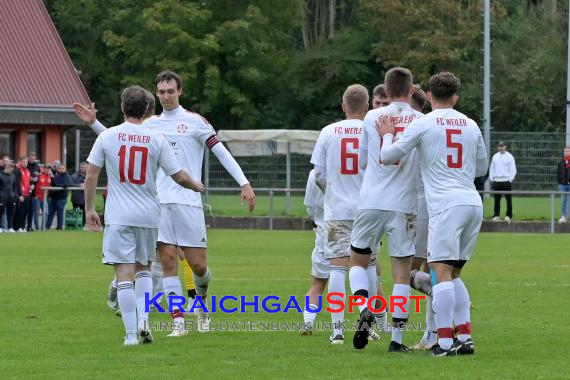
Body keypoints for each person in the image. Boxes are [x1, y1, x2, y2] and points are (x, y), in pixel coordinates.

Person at [74, 70, 256, 336]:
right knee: (168, 262)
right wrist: (94, 123)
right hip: (158, 204)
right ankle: (178, 322)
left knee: (198, 266)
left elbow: (221, 152)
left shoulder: (196, 122)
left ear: (179, 91)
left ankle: (202, 302)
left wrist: (244, 183)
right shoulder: (151, 124)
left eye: (171, 91)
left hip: (188, 202)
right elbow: (119, 140)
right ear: (156, 94)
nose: (166, 97)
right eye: (161, 92)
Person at [84, 85, 204, 346]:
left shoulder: (108, 136)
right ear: (148, 109)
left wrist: (90, 209)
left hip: (119, 216)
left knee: (124, 275)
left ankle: (130, 336)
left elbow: (91, 174)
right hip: (150, 215)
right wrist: (195, 184)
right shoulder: (156, 138)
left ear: (122, 107)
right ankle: (144, 321)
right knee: (145, 271)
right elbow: (178, 175)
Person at [379, 71, 488, 356]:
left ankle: (443, 343)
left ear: (428, 95)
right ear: (456, 97)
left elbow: (388, 157)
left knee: (439, 273)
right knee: (453, 274)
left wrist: (387, 135)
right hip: (472, 203)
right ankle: (465, 337)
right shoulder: (471, 124)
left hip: (445, 205)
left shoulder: (424, 123)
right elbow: (481, 169)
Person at [348, 68, 423, 352]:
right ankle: (397, 341)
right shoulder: (420, 120)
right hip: (403, 204)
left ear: (386, 91)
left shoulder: (371, 117)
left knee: (357, 261)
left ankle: (364, 306)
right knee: (402, 274)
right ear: (411, 88)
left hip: (371, 200)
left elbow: (365, 162)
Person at [299, 169, 328, 336]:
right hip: (353, 228)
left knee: (317, 284)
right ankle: (375, 326)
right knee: (367, 278)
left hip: (324, 231)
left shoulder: (313, 173)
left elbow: (310, 210)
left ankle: (308, 322)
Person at [489, 142, 516, 223]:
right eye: (500, 146)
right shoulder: (495, 156)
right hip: (497, 180)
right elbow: (492, 168)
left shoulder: (509, 156)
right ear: (498, 147)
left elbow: (513, 169)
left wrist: (510, 179)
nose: (501, 148)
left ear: (505, 147)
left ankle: (508, 215)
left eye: (502, 146)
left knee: (508, 199)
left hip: (506, 180)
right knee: (496, 199)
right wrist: (492, 178)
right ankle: (496, 215)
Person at [46, 164, 72, 230]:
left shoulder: (67, 176)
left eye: (62, 168)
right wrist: (52, 178)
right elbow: (53, 184)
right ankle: (47, 227)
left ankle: (59, 227)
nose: (61, 169)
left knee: (60, 213)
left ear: (65, 169)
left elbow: (67, 184)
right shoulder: (56, 176)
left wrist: (58, 186)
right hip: (54, 197)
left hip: (62, 198)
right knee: (51, 213)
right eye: (59, 168)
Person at [0, 161, 19, 233]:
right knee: (1, 213)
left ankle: (10, 227)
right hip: (2, 197)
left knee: (11, 213)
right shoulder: (0, 175)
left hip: (11, 197)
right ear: (6, 167)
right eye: (10, 168)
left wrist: (15, 196)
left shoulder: (13, 176)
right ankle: (0, 227)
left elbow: (15, 187)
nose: (11, 170)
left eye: (12, 169)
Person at [13, 157, 30, 232]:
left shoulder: (28, 171)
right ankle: (17, 227)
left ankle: (23, 227)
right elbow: (17, 184)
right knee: (19, 211)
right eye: (23, 162)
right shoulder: (17, 171)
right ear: (20, 162)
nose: (25, 163)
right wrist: (19, 195)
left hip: (27, 194)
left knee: (25, 211)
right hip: (21, 195)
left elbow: (27, 182)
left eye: (26, 162)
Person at [26, 152, 41, 231]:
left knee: (31, 210)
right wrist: (31, 179)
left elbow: (39, 176)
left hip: (34, 191)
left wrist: (37, 179)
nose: (32, 159)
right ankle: (21, 225)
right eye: (31, 158)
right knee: (25, 209)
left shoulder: (37, 166)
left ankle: (29, 226)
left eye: (33, 158)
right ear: (28, 158)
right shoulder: (26, 165)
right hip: (25, 190)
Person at [71, 162, 88, 226]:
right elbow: (71, 184)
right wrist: (79, 185)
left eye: (85, 167)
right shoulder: (74, 175)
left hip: (86, 198)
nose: (84, 169)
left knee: (84, 213)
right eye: (82, 167)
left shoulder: (90, 175)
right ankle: (75, 226)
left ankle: (82, 226)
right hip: (76, 198)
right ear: (80, 168)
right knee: (76, 213)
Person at [35, 164, 51, 229]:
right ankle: (37, 228)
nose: (47, 169)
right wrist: (34, 195)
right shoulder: (39, 176)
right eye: (46, 168)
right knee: (36, 213)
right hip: (37, 197)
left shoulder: (50, 177)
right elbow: (34, 185)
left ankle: (42, 227)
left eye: (48, 168)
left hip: (44, 198)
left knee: (46, 213)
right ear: (43, 169)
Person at [557, 146, 570, 223]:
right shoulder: (561, 162)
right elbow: (558, 173)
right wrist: (559, 182)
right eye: (565, 151)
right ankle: (563, 216)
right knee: (563, 201)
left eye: (568, 151)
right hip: (563, 185)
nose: (566, 152)